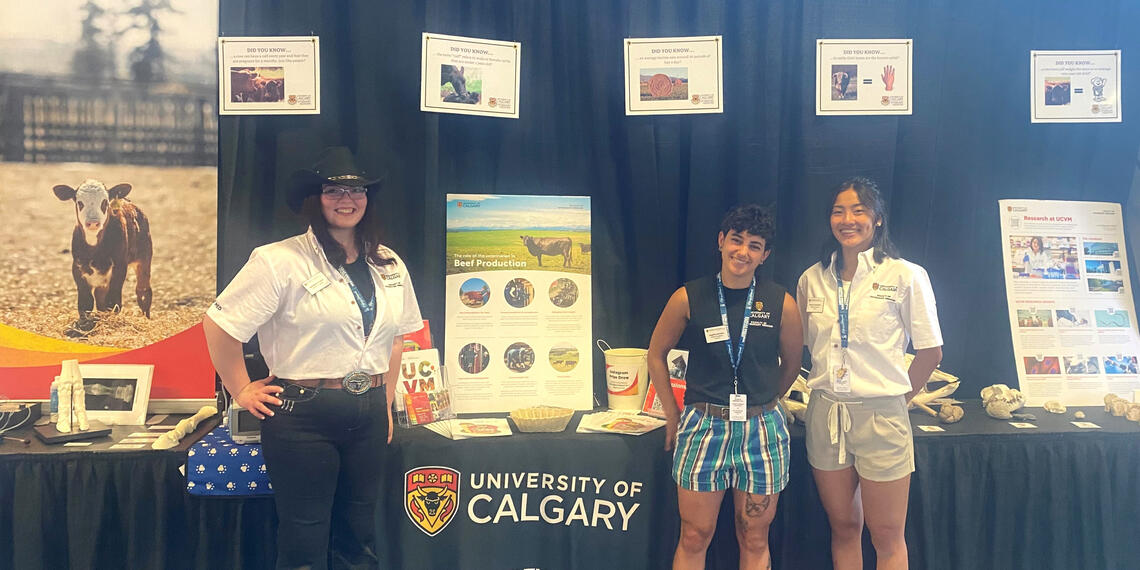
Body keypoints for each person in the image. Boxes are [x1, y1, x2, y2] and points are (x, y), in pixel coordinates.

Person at [202, 146, 423, 569]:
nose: (346, 199)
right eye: (332, 190)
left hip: (370, 411)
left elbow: (395, 339)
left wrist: (387, 401)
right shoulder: (279, 260)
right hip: (303, 416)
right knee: (304, 537)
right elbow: (219, 325)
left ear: (367, 198)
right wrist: (241, 389)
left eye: (356, 189)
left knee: (359, 535)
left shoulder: (388, 262)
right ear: (315, 199)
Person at [796, 177, 943, 570]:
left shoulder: (906, 275)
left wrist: (897, 398)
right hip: (825, 413)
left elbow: (930, 351)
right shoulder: (812, 279)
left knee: (886, 536)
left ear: (877, 219)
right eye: (839, 211)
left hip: (882, 414)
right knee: (844, 527)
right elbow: (811, 347)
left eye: (859, 210)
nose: (848, 219)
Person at [648, 204, 803, 569]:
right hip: (703, 427)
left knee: (754, 536)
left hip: (762, 432)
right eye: (736, 240)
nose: (742, 252)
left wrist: (765, 402)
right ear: (721, 242)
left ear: (764, 255)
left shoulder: (782, 303)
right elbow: (656, 354)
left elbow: (793, 365)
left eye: (754, 245)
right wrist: (673, 414)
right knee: (694, 535)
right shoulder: (688, 297)